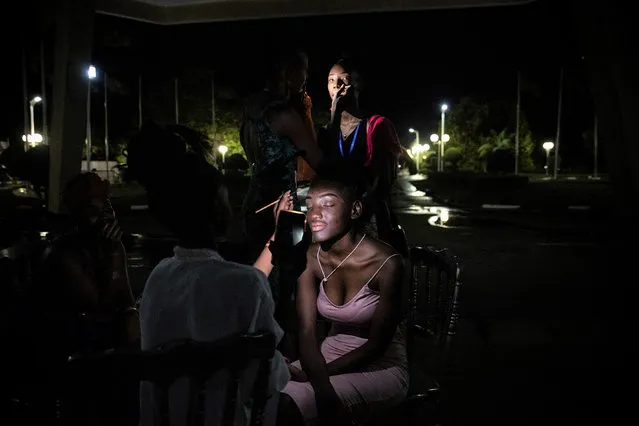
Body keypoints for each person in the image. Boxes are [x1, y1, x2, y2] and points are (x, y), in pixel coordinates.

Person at [126, 124, 291, 426]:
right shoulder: (244, 284)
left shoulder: (160, 278)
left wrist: (273, 242)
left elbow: (228, 287)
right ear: (218, 210)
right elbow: (271, 379)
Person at [278, 172, 409, 426]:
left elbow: (376, 347)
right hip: (325, 357)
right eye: (310, 205)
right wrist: (315, 376)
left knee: (287, 406)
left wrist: (317, 380)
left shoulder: (386, 263)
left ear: (354, 209)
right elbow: (306, 332)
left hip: (380, 366)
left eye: (327, 204)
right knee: (264, 390)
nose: (314, 214)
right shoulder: (311, 257)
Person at [40, 172, 139, 354]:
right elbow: (100, 309)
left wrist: (131, 311)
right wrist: (110, 257)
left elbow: (125, 293)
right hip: (74, 345)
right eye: (96, 207)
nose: (106, 213)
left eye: (107, 202)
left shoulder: (112, 246)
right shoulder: (64, 254)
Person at [240, 49, 323, 262]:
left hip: (254, 202)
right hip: (282, 208)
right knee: (287, 275)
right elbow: (319, 161)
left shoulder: (251, 109)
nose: (306, 77)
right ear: (289, 73)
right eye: (304, 70)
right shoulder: (284, 114)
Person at [319, 58, 407, 255]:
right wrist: (335, 116)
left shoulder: (377, 126)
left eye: (344, 79)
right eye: (331, 80)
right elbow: (325, 171)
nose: (337, 86)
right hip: (334, 221)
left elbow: (383, 181)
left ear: (358, 84)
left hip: (369, 220)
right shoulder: (326, 132)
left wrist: (356, 212)